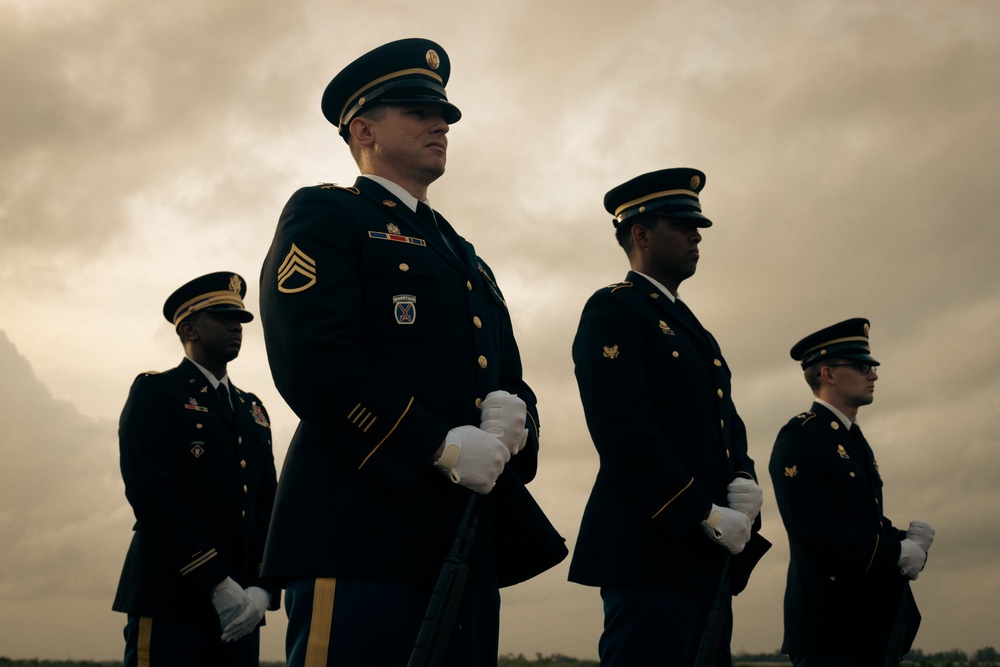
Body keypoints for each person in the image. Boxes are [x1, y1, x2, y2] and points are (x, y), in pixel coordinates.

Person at [258, 37, 565, 667]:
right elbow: (312, 359)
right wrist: (437, 444)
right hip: (358, 531)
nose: (440, 125)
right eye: (417, 112)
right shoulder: (326, 214)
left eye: (445, 115)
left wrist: (518, 422)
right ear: (363, 128)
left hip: (462, 536)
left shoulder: (461, 251)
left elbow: (502, 372)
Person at [569, 168, 770, 665]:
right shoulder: (615, 309)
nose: (695, 235)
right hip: (651, 550)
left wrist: (743, 479)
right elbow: (622, 431)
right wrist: (699, 512)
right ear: (639, 232)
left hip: (704, 556)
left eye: (696, 226)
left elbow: (726, 425)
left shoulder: (692, 328)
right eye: (681, 224)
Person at [113, 271, 279, 666]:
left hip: (242, 608)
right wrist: (215, 582)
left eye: (239, 320)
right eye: (222, 317)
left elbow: (267, 506)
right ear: (188, 328)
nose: (235, 327)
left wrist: (262, 589)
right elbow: (150, 495)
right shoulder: (158, 393)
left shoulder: (252, 408)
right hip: (172, 596)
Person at [768, 318, 935, 666]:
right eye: (862, 367)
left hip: (867, 623)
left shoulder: (853, 440)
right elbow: (812, 528)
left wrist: (908, 543)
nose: (873, 374)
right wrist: (895, 554)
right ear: (828, 374)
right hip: (830, 626)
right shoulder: (801, 436)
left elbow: (862, 521)